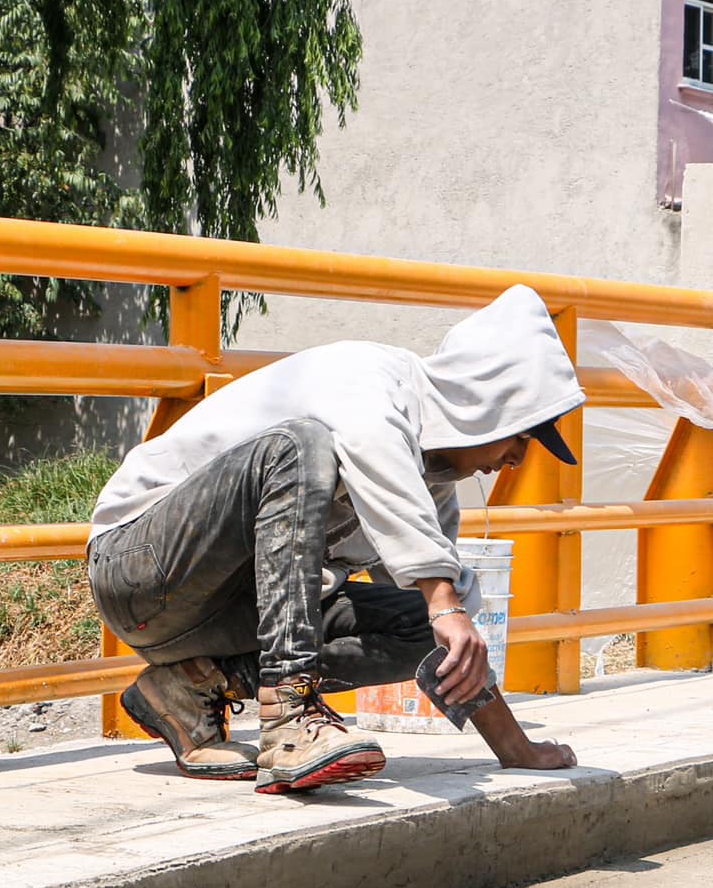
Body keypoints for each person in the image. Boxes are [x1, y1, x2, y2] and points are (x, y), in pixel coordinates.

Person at [85, 285, 581, 795]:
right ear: (485, 401)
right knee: (300, 447)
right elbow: (379, 458)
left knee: (418, 622)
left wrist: (514, 748)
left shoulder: (430, 486)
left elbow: (442, 618)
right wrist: (444, 601)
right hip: (139, 571)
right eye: (522, 435)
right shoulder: (368, 379)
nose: (520, 459)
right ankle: (289, 720)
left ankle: (190, 685)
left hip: (229, 616)